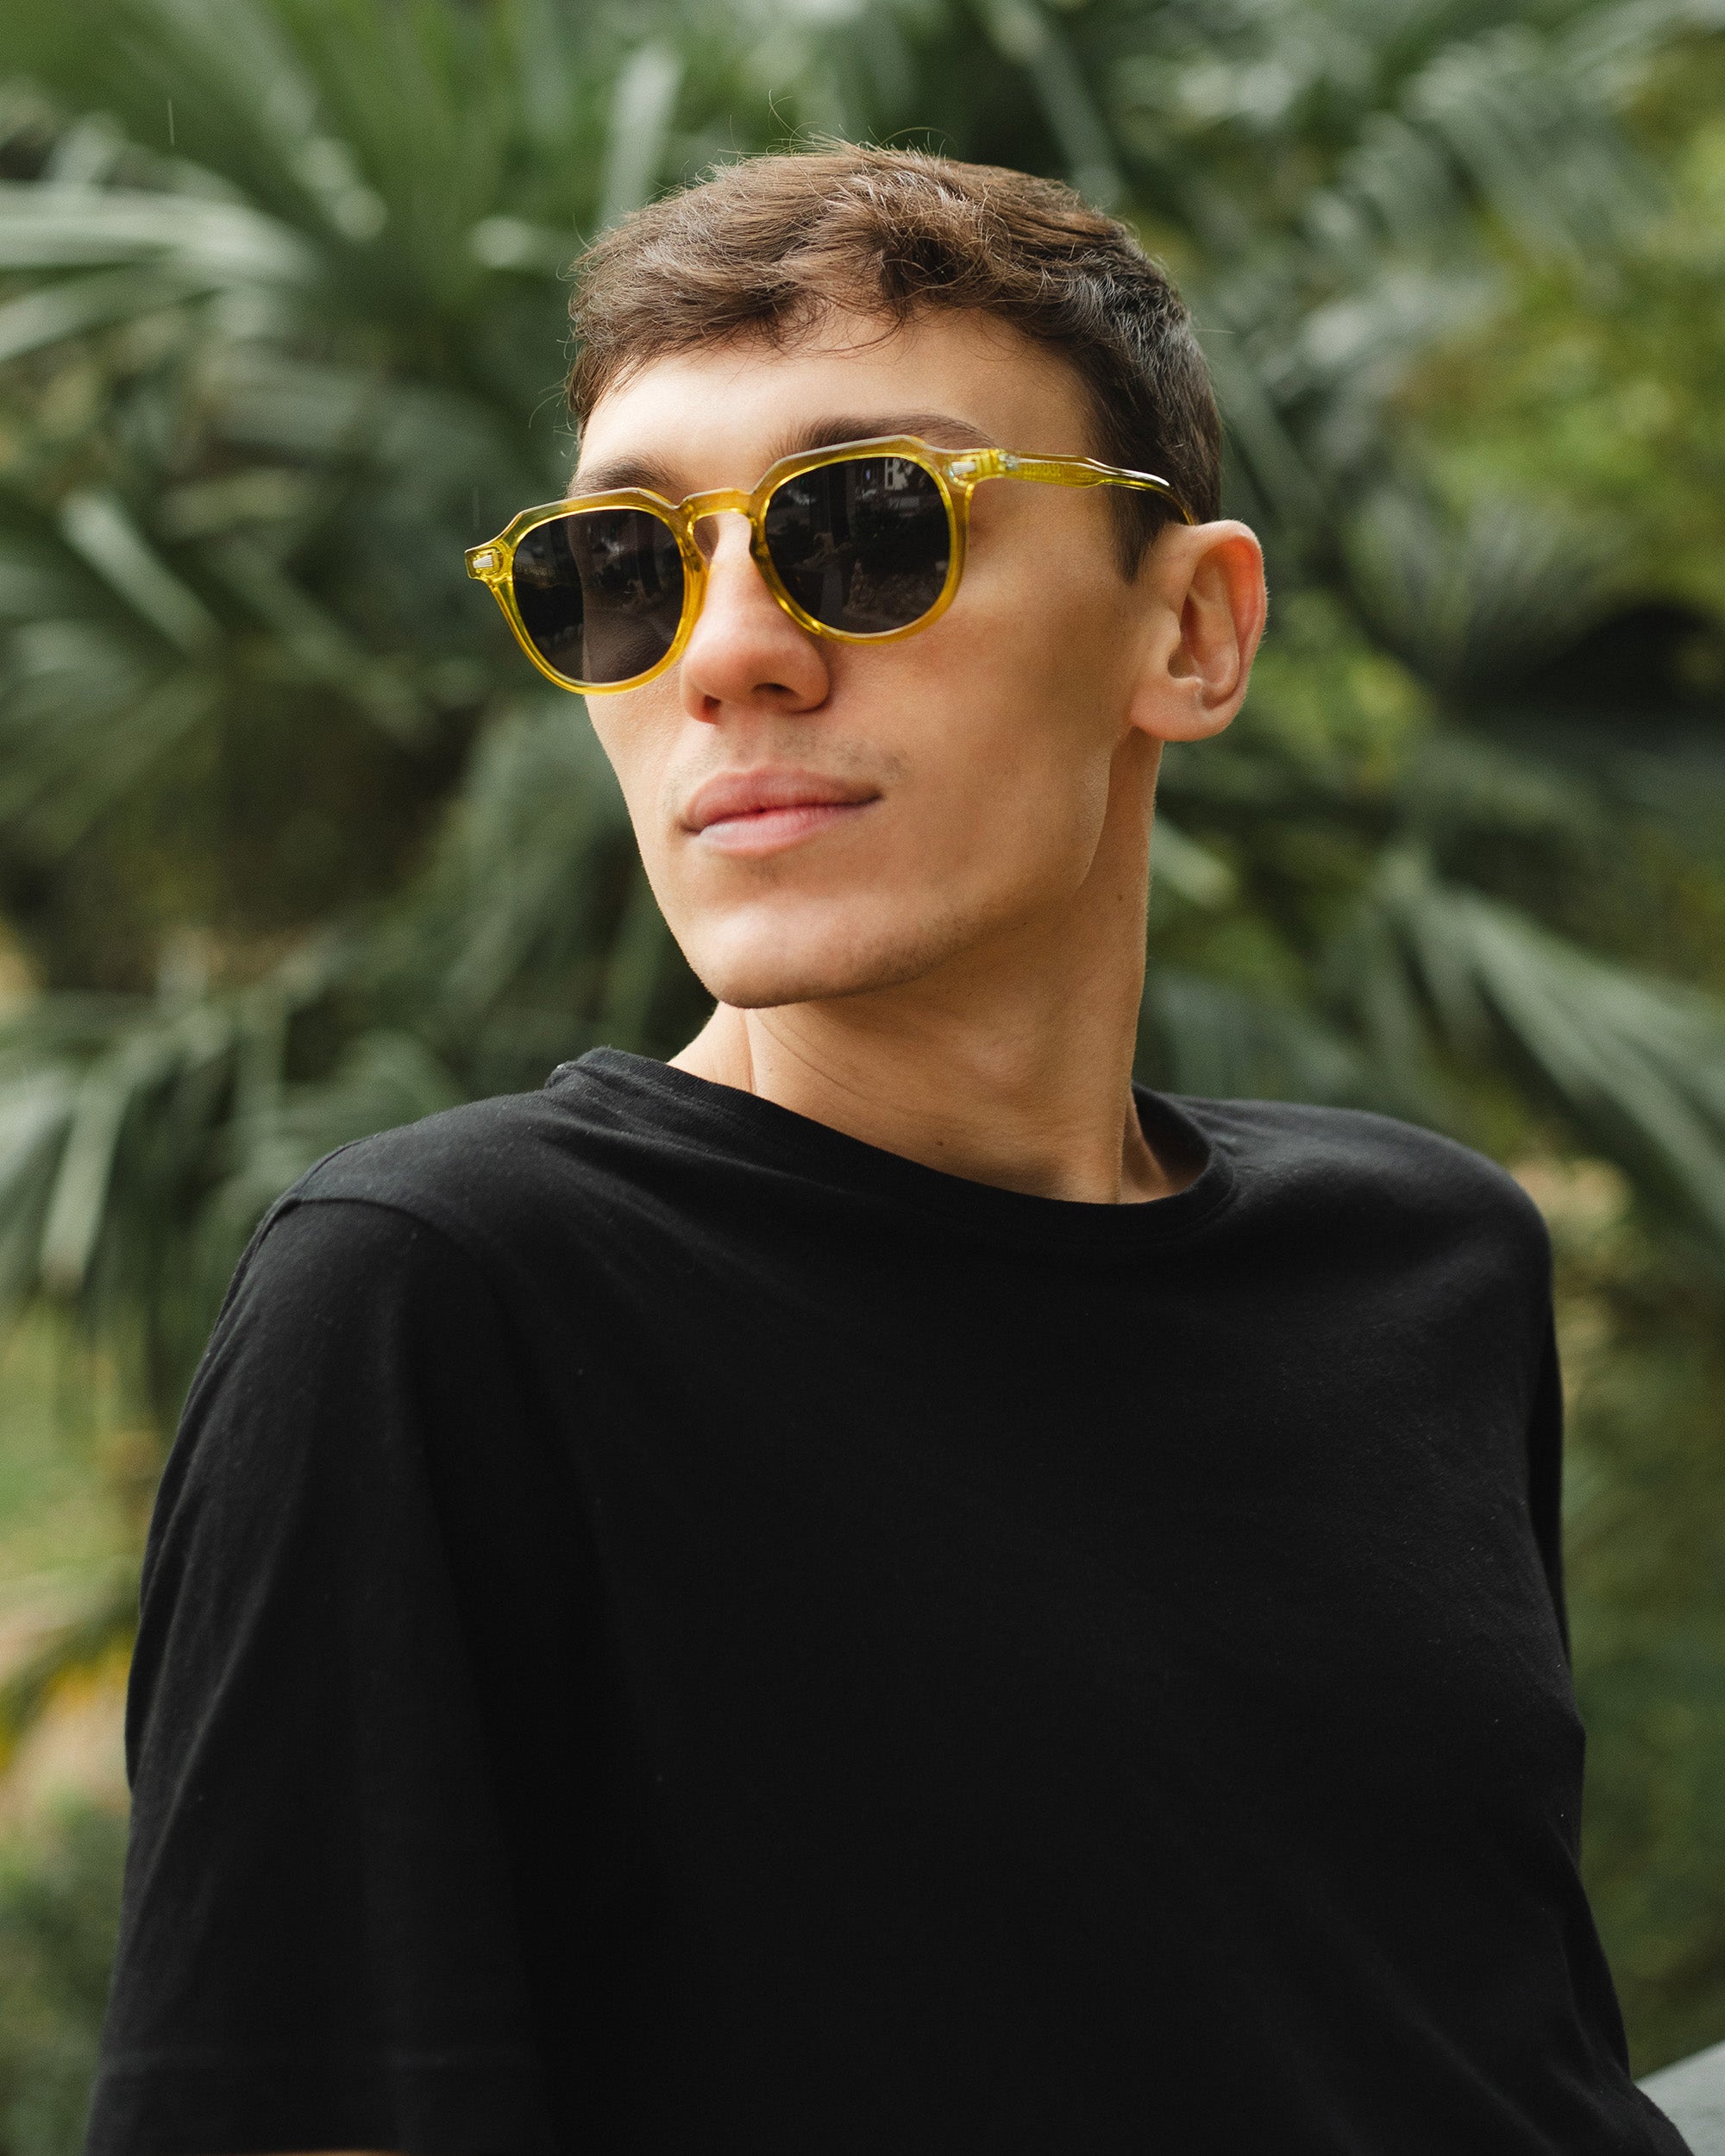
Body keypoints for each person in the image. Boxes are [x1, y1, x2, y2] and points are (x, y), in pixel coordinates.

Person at [88, 146, 1689, 2156]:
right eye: (624, 568)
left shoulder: (1426, 1258)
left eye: (866, 527)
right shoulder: (438, 1299)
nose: (724, 652)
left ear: (1192, 632)